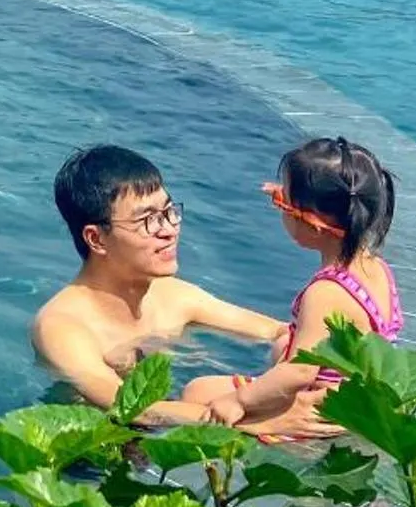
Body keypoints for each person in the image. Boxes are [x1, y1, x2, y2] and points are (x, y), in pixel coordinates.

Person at [31, 144, 287, 426]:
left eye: (168, 212)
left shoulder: (174, 296)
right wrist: (263, 422)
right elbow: (126, 406)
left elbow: (278, 331)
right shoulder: (62, 326)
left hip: (175, 428)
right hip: (96, 455)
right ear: (97, 239)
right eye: (148, 220)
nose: (168, 230)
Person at [181, 136, 402, 441]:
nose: (279, 208)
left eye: (281, 202)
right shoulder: (375, 268)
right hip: (355, 400)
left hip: (318, 411)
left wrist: (239, 401)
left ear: (313, 226)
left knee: (197, 392)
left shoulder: (326, 292)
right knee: (283, 341)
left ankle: (263, 432)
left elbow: (300, 372)